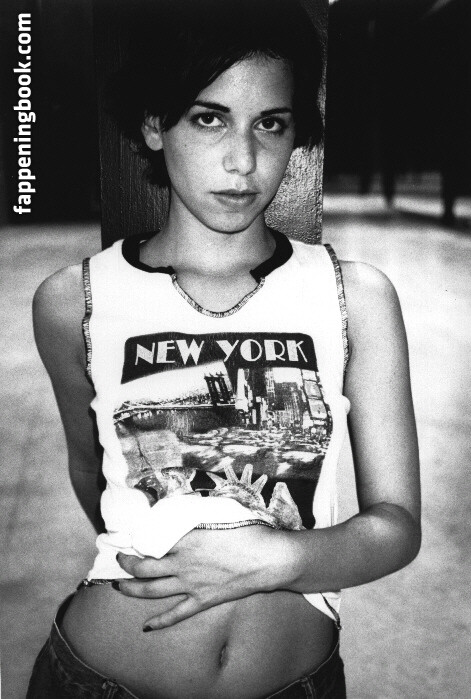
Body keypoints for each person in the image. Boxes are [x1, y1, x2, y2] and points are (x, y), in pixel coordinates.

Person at [27, 1, 421, 697]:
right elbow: (92, 473)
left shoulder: (353, 296)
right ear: (155, 124)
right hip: (98, 678)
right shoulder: (74, 300)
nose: (243, 162)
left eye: (270, 123)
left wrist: (275, 558)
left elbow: (396, 528)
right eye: (209, 119)